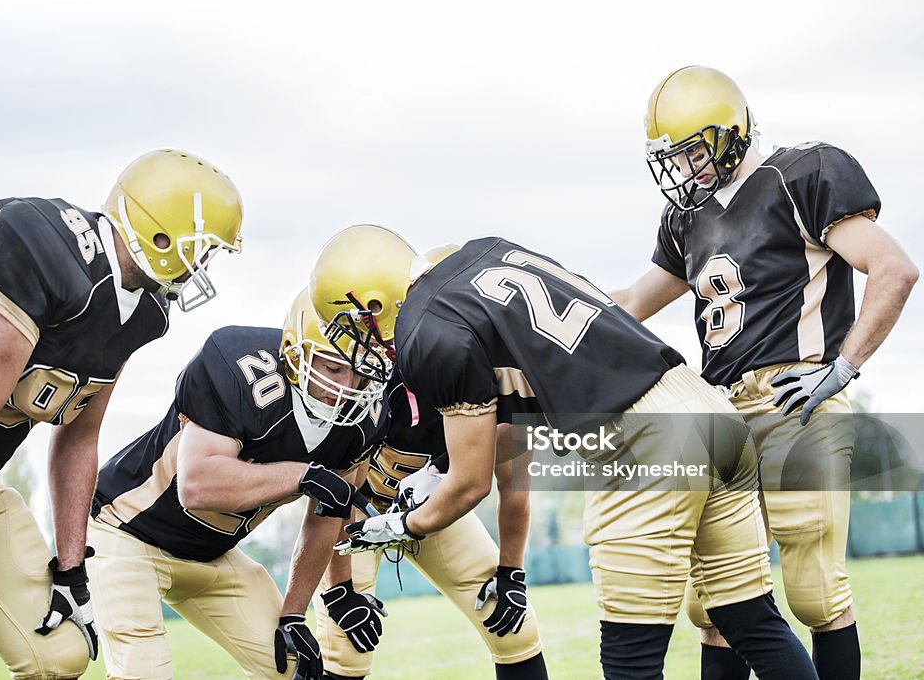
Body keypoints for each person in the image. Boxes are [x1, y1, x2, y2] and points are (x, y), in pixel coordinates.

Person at [307, 224, 817, 680]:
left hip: (643, 441)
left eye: (350, 326)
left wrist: (399, 525)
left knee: (630, 660)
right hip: (706, 408)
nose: (357, 345)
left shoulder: (427, 331)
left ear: (372, 303)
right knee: (752, 620)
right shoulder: (490, 251)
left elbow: (471, 483)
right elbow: (509, 434)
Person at [611, 65, 918, 680]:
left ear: (731, 132)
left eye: (695, 152)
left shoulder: (802, 173)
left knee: (815, 592)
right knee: (717, 603)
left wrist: (844, 366)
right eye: (674, 158)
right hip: (720, 409)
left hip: (794, 395)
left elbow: (893, 269)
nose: (686, 170)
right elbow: (633, 304)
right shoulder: (687, 220)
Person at [0, 148, 243, 679]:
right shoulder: (41, 243)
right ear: (158, 234)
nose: (202, 267)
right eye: (202, 249)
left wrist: (71, 565)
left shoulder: (144, 310)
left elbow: (79, 437)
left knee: (59, 655)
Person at [87, 288, 389, 680]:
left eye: (362, 371)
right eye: (333, 368)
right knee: (144, 672)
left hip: (212, 553)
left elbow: (328, 515)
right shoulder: (237, 364)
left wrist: (296, 612)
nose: (349, 384)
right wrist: (302, 475)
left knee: (292, 666)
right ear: (297, 356)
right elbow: (196, 486)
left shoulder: (362, 418)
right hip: (127, 530)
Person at [313, 369, 548, 680]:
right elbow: (334, 490)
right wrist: (340, 590)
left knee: (513, 625)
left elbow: (515, 491)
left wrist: (510, 573)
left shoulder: (504, 389)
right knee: (347, 645)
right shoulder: (379, 376)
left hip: (436, 510)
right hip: (357, 513)